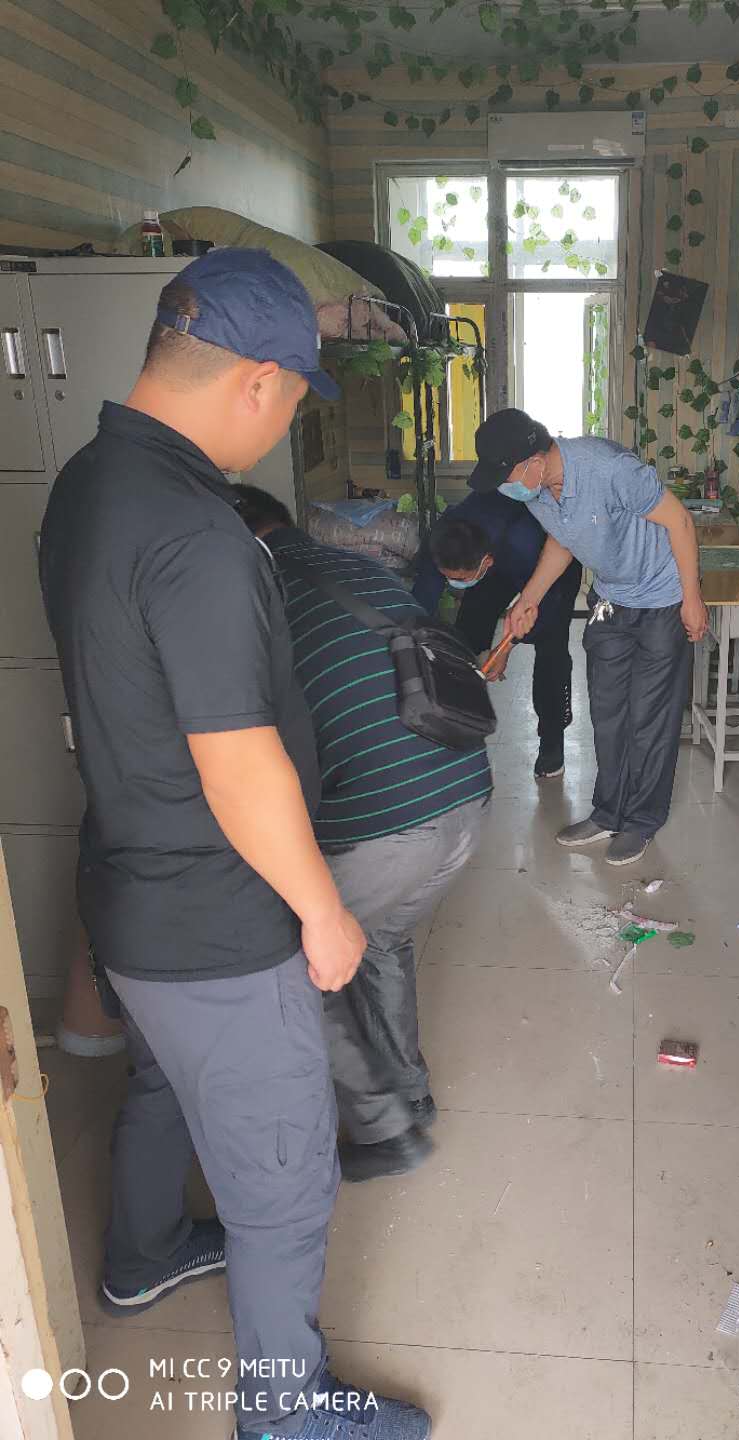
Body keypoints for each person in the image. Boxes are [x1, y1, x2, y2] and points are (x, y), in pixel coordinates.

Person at [39, 249, 429, 1440]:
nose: (286, 425)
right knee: (282, 1183)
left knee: (164, 1081)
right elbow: (238, 760)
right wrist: (322, 911)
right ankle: (283, 1415)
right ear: (258, 380)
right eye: (296, 400)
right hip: (216, 920)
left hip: (129, 896)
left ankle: (142, 1255)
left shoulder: (88, 482)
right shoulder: (199, 533)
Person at [232, 485, 493, 1183]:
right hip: (467, 792)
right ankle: (410, 1093)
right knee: (380, 940)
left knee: (299, 962)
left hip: (391, 822)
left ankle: (384, 1128)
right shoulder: (352, 567)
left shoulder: (255, 589)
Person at [469, 408, 708, 867]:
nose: (504, 487)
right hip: (611, 601)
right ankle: (607, 812)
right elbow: (563, 540)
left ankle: (641, 820)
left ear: (535, 461)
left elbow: (679, 521)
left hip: (662, 599)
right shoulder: (539, 491)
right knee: (607, 713)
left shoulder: (610, 469)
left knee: (649, 718)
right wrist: (527, 600)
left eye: (506, 476)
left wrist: (691, 598)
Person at [413, 490, 582, 779]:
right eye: (447, 577)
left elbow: (542, 608)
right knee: (464, 639)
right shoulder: (440, 542)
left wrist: (505, 648)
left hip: (552, 566)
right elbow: (419, 605)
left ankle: (552, 739)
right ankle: (457, 728)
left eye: (459, 579)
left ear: (486, 563)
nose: (452, 583)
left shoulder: (522, 541)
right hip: (491, 561)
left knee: (551, 649)